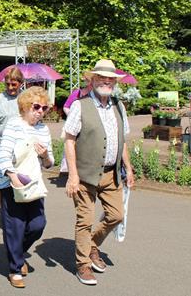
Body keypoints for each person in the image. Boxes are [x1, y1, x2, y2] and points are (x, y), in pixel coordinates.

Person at [64, 59, 135, 285]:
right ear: (92, 80)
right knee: (84, 220)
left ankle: (92, 245)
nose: (106, 81)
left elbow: (122, 141)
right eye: (101, 78)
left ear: (114, 82)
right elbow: (69, 140)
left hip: (111, 174)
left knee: (116, 215)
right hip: (85, 175)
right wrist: (73, 175)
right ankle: (83, 264)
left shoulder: (119, 106)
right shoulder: (80, 105)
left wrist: (129, 168)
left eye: (110, 79)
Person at [0, 86, 54, 288]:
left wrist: (45, 155)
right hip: (12, 183)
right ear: (25, 106)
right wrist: (12, 176)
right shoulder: (14, 125)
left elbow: (50, 163)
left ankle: (18, 252)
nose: (40, 111)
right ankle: (15, 269)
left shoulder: (43, 129)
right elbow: (3, 155)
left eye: (44, 108)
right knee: (15, 227)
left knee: (38, 224)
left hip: (34, 184)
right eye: (36, 106)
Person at [0, 66, 24, 186]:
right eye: (7, 84)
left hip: (22, 148)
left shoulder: (26, 99)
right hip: (3, 149)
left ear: (21, 83)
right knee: (4, 186)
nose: (10, 88)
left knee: (22, 186)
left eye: (14, 84)